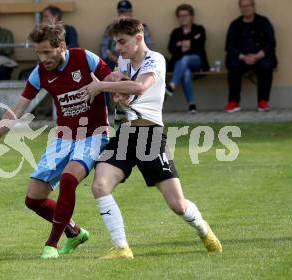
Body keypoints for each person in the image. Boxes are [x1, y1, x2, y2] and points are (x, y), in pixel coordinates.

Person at [81, 17, 222, 259]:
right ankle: (122, 248)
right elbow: (124, 88)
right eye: (116, 43)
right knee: (100, 185)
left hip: (149, 135)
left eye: (122, 42)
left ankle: (203, 229)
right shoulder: (124, 61)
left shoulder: (154, 59)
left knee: (177, 204)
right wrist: (116, 88)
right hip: (124, 134)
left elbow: (139, 87)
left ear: (139, 38)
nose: (118, 48)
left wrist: (102, 86)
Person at [0, 22, 112, 259]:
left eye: (47, 52)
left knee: (69, 179)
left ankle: (51, 244)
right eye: (38, 52)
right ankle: (75, 232)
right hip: (63, 137)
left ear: (62, 46)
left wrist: (105, 88)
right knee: (34, 199)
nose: (43, 58)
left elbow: (113, 80)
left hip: (94, 134)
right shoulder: (39, 73)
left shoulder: (84, 58)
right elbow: (16, 110)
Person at [224, 0, 277, 113]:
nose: (246, 8)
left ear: (253, 6)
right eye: (242, 6)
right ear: (240, 8)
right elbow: (229, 46)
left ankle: (263, 102)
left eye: (248, 5)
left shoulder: (263, 22)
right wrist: (243, 57)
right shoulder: (235, 24)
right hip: (242, 58)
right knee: (233, 65)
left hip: (260, 57)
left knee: (266, 66)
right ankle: (233, 102)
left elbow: (271, 43)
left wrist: (257, 56)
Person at [166, 4, 209, 113]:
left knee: (185, 59)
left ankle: (172, 85)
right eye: (180, 16)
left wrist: (181, 45)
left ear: (192, 17)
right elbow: (171, 48)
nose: (183, 18)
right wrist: (188, 44)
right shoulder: (175, 32)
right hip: (178, 63)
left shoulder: (199, 29)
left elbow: (199, 46)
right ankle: (192, 105)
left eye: (185, 15)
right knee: (186, 72)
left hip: (196, 61)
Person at [100, 0, 154, 70]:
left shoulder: (140, 27)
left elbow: (150, 48)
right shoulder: (111, 28)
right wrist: (118, 60)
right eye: (121, 12)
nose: (123, 15)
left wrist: (134, 60)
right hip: (114, 61)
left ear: (131, 13)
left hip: (137, 61)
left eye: (126, 12)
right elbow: (104, 50)